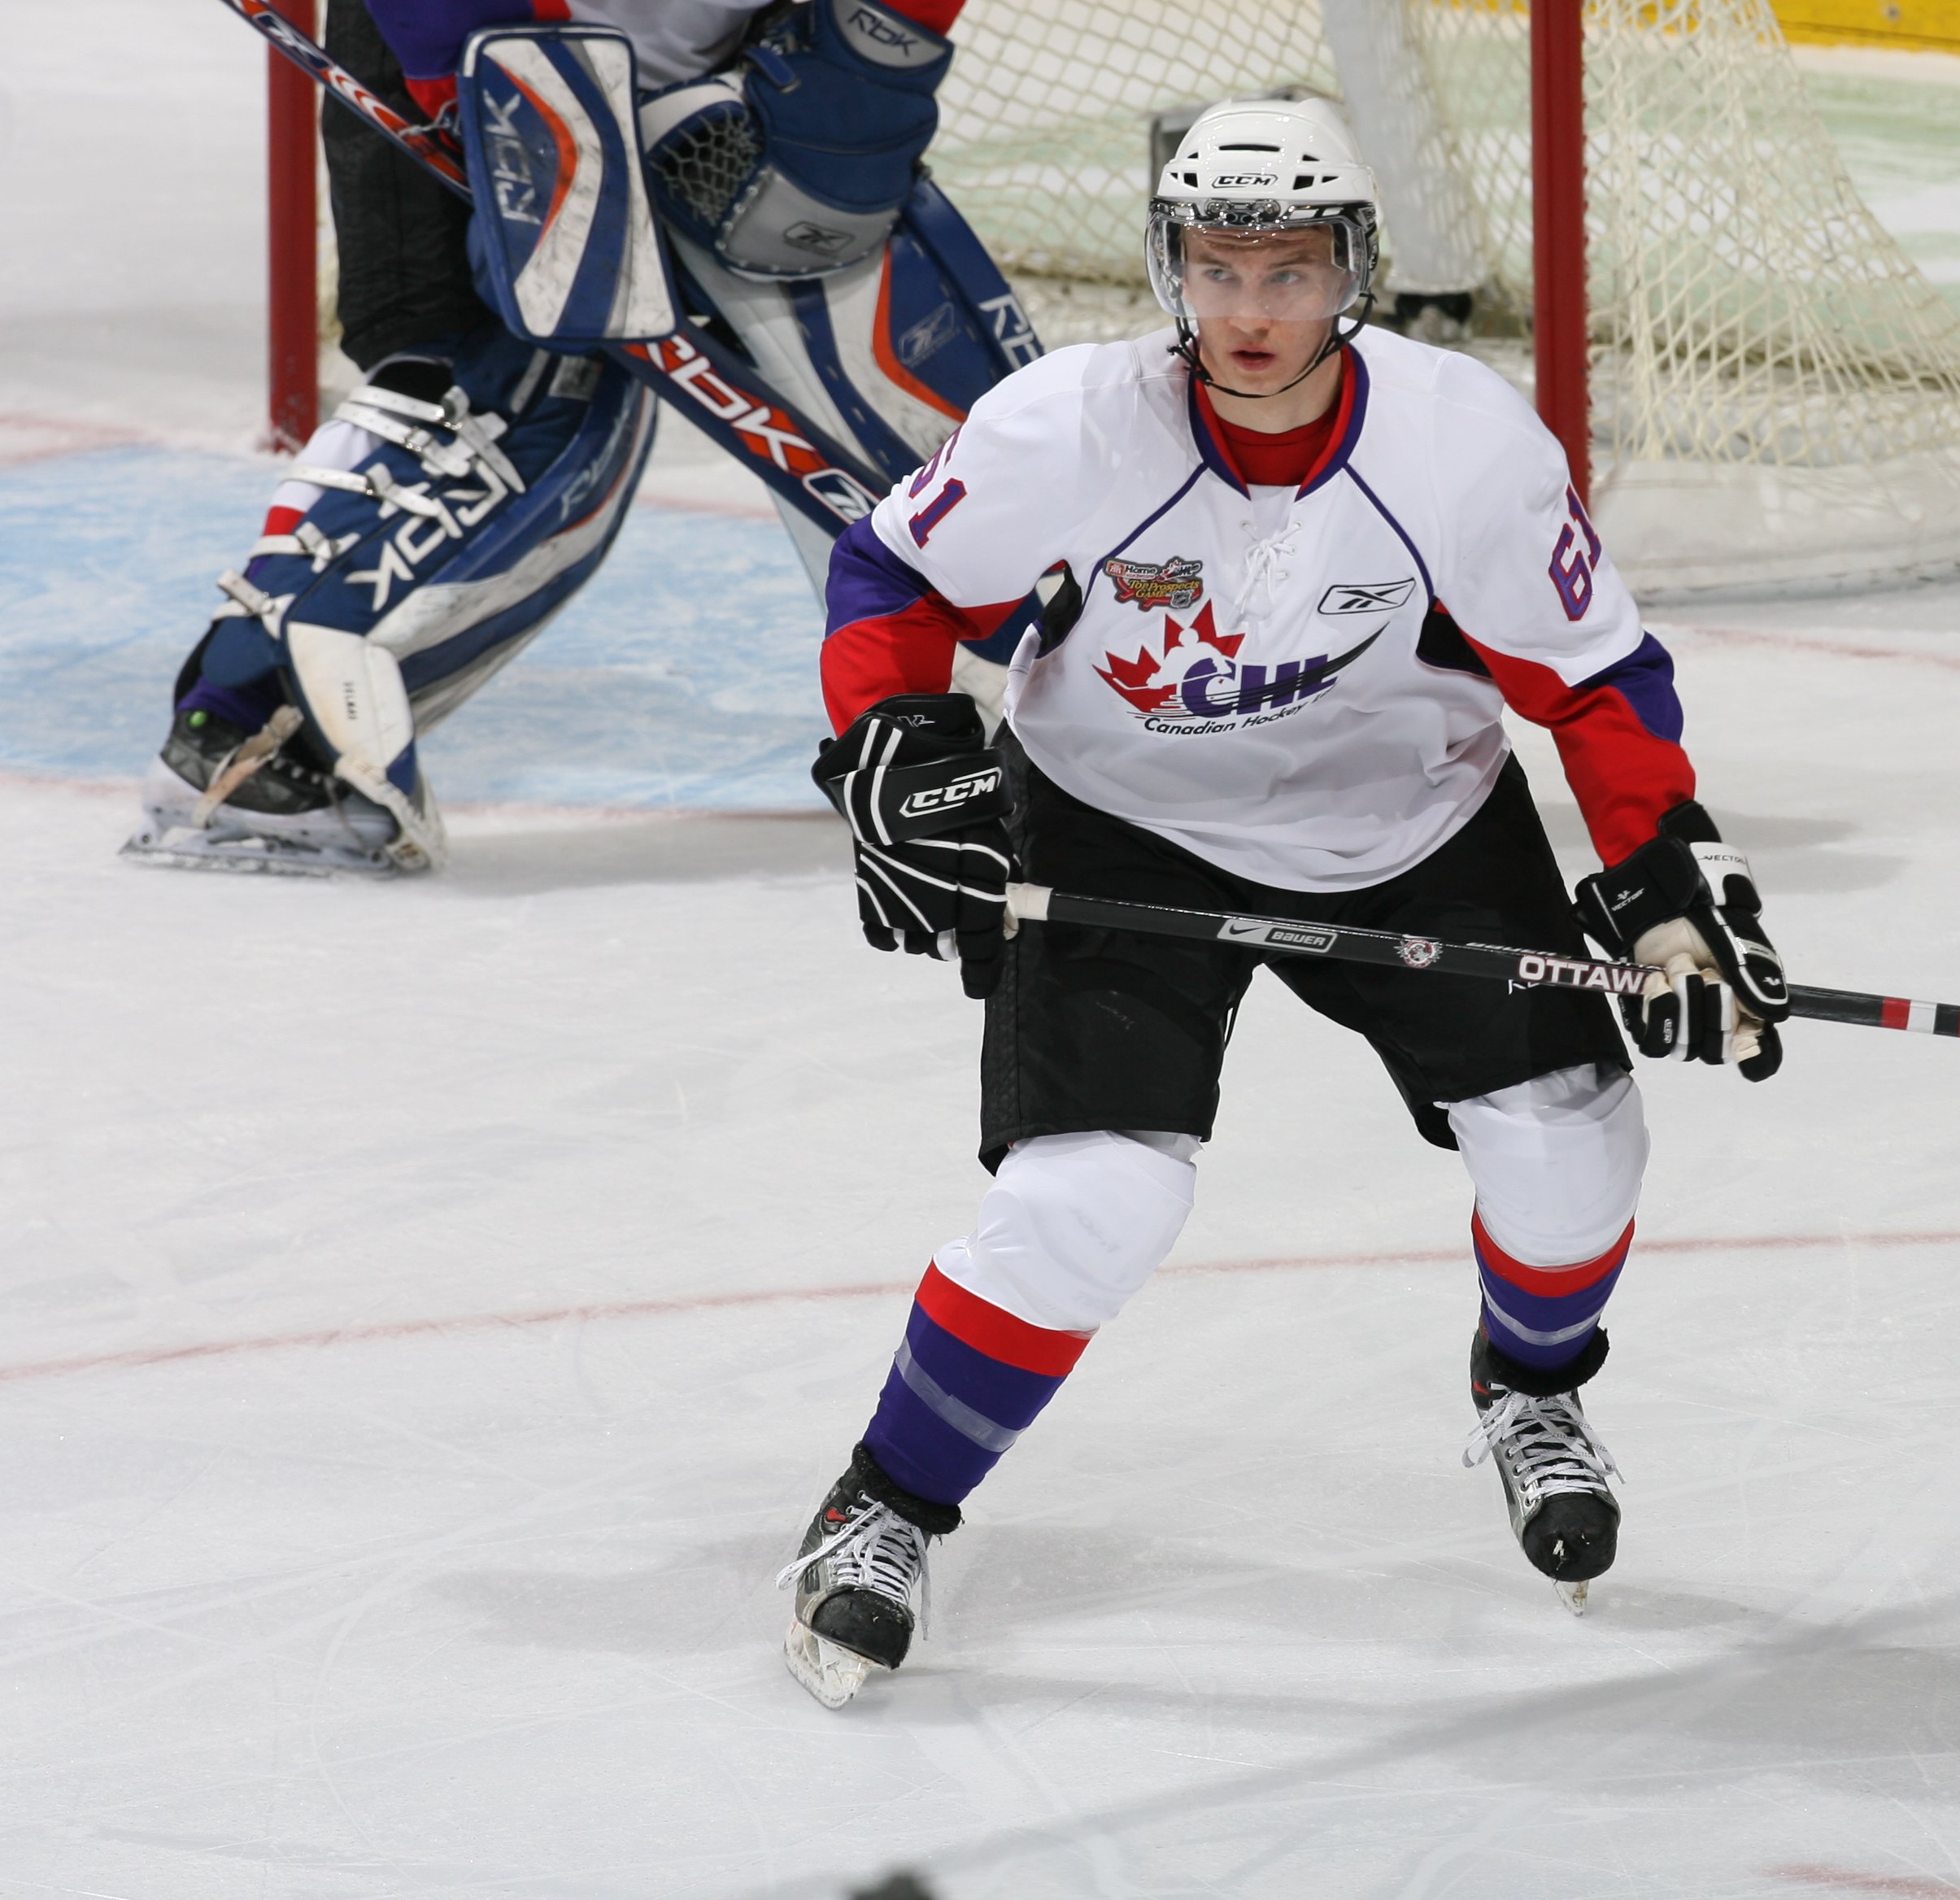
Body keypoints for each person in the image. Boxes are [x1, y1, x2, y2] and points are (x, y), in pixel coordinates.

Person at [777, 95, 1792, 1708]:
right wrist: (889, 737)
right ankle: (882, 1505)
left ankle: (1528, 1385)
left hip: (1412, 814)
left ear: (1355, 272)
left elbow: (1596, 685)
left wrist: (1664, 888)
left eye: (1292, 268)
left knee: (1576, 1141)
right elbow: (894, 581)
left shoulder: (1458, 442)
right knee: (1092, 1202)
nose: (1252, 311)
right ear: (1170, 269)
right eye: (1217, 266)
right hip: (1117, 820)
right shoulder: (1068, 425)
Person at [127, 0, 1002, 877]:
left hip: (690, 73)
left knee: (853, 351)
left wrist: (874, 56)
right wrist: (474, 80)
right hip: (481, 49)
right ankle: (245, 742)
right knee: (518, 403)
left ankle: (952, 709)